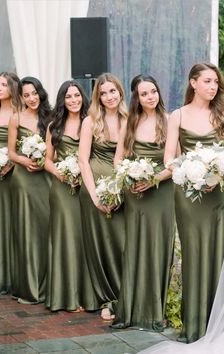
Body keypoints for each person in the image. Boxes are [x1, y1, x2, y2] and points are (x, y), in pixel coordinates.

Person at [137, 63, 224, 352]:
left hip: (219, 194)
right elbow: (169, 159)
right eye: (207, 81)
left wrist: (218, 174)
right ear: (193, 83)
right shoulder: (177, 115)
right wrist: (192, 170)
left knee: (219, 253)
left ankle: (218, 323)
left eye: (215, 82)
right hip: (189, 196)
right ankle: (195, 324)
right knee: (194, 254)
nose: (213, 87)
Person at [111, 74, 175, 330]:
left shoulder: (169, 120)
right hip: (136, 192)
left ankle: (155, 312)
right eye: (144, 93)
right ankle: (131, 310)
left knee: (158, 247)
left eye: (153, 91)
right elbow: (118, 158)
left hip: (161, 192)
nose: (150, 97)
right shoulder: (130, 122)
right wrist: (128, 176)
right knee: (135, 247)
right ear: (136, 97)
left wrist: (154, 179)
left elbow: (175, 161)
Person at [44, 80, 99, 312]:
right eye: (68, 97)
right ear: (62, 100)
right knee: (66, 237)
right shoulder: (54, 125)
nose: (74, 100)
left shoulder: (93, 123)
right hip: (62, 188)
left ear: (83, 97)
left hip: (85, 187)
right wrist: (61, 174)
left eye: (77, 95)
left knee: (85, 237)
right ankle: (66, 295)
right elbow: (47, 159)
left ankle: (87, 295)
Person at [78, 73, 128, 320]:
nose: (109, 97)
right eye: (104, 93)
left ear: (120, 92)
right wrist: (95, 196)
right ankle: (106, 298)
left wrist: (122, 186)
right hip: (94, 188)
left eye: (113, 91)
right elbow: (83, 161)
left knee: (121, 243)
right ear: (98, 96)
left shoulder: (130, 119)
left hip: (122, 189)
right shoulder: (90, 122)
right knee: (100, 243)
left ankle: (125, 294)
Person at [8, 76, 52, 304]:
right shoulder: (16, 118)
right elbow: (11, 153)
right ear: (21, 97)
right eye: (26, 95)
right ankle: (29, 286)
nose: (31, 98)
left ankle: (48, 282)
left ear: (40, 92)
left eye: (34, 93)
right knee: (27, 229)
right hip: (23, 180)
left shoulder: (50, 117)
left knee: (46, 227)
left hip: (45, 179)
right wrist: (24, 161)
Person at [0, 72, 22, 295]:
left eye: (3, 84)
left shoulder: (19, 113)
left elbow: (23, 144)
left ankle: (11, 276)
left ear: (13, 87)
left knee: (11, 222)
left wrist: (10, 164)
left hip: (13, 176)